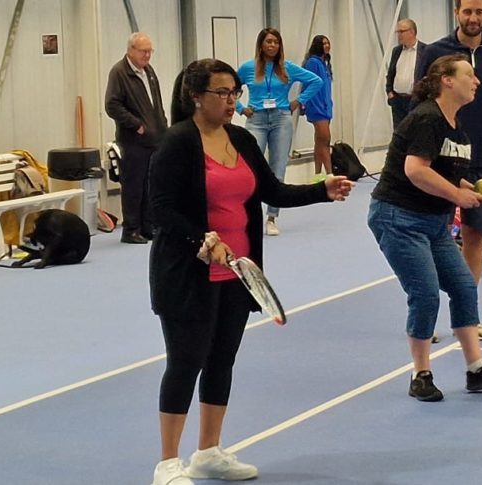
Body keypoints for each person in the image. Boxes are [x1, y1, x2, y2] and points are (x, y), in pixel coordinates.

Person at [146, 58, 354, 485]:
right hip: (188, 274)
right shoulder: (177, 143)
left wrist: (322, 190)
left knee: (222, 361)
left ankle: (208, 452)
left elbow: (270, 190)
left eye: (234, 92)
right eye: (221, 93)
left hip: (240, 272)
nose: (230, 100)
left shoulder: (240, 138)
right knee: (186, 362)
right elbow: (160, 210)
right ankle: (168, 463)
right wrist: (203, 240)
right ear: (195, 96)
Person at [367, 54, 482, 403]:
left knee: (464, 286)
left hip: (433, 222)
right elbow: (415, 170)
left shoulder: (457, 129)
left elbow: (445, 172)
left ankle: (477, 369)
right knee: (424, 294)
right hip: (398, 218)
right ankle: (420, 375)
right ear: (446, 80)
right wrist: (456, 196)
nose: (477, 81)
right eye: (469, 75)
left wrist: (466, 189)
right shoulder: (426, 118)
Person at [417, 0, 482, 341]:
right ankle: (426, 318)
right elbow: (419, 106)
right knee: (434, 236)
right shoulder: (434, 52)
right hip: (441, 161)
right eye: (466, 11)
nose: (472, 18)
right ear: (456, 13)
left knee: (475, 236)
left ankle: (468, 315)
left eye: (479, 11)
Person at [236, 28, 324, 237]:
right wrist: (241, 108)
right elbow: (231, 87)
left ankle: (272, 217)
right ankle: (250, 215)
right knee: (251, 167)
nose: (272, 45)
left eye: (276, 42)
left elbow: (316, 81)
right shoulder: (248, 68)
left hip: (281, 119)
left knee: (278, 168)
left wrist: (298, 102)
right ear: (261, 45)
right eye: (268, 41)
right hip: (256, 119)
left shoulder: (288, 68)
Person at [106, 32, 167, 244]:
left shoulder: (148, 71)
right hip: (132, 141)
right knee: (133, 186)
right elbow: (112, 105)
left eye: (150, 51)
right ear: (131, 50)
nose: (148, 55)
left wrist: (162, 126)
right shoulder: (119, 73)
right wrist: (136, 125)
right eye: (144, 51)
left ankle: (147, 227)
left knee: (150, 185)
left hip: (155, 139)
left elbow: (156, 103)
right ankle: (131, 229)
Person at [304, 35, 334, 177]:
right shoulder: (313, 63)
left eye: (328, 43)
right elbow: (309, 84)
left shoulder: (325, 63)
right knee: (325, 140)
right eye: (324, 44)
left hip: (326, 106)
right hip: (317, 107)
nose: (327, 46)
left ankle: (317, 174)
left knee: (319, 141)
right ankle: (329, 173)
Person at [387, 19, 426, 127]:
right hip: (397, 100)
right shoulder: (396, 51)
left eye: (401, 31)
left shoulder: (425, 51)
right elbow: (391, 73)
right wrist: (389, 92)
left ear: (412, 32)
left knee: (415, 131)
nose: (398, 35)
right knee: (399, 133)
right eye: (397, 32)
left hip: (415, 100)